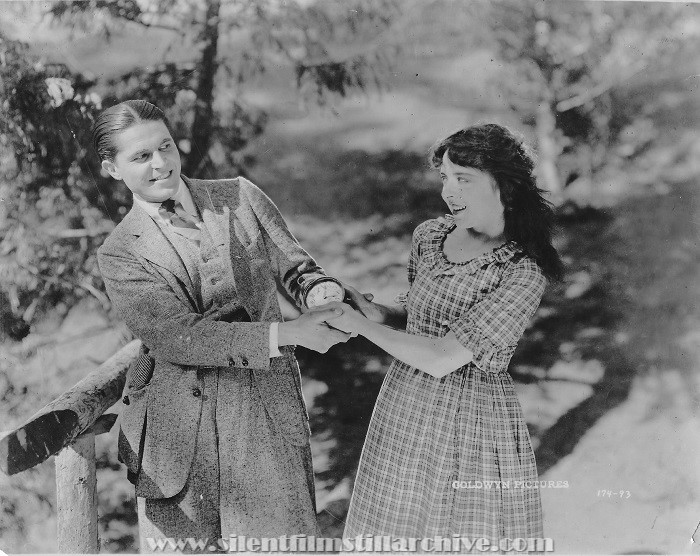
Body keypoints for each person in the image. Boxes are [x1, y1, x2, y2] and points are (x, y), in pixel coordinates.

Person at [93, 100, 352, 551]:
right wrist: (286, 334)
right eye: (140, 157)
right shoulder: (120, 254)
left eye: (165, 147)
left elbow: (297, 268)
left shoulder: (239, 196)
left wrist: (319, 294)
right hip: (177, 439)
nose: (160, 164)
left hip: (266, 412)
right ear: (112, 169)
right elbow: (178, 337)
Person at [328, 123, 563, 547]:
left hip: (471, 421)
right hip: (403, 408)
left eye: (464, 180)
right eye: (445, 178)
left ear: (504, 188)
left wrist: (362, 328)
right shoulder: (431, 236)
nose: (448, 192)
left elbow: (442, 355)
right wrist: (373, 311)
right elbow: (419, 318)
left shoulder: (522, 271)